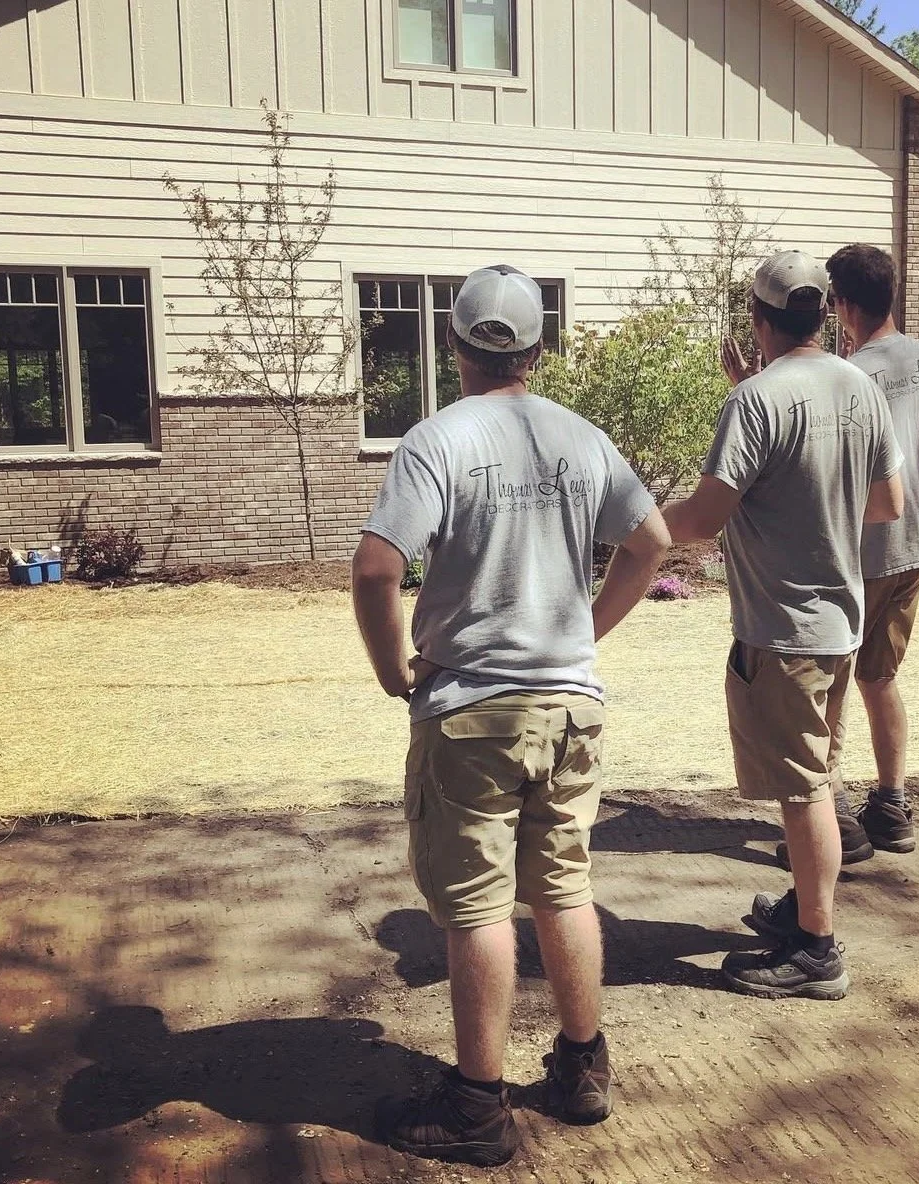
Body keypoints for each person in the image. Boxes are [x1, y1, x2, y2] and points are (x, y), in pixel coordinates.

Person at [352, 264, 669, 1166]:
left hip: (471, 714)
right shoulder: (579, 436)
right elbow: (651, 542)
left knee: (478, 908)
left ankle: (477, 1108)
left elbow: (377, 568)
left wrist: (394, 671)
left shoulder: (436, 440)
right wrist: (584, 632)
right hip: (571, 710)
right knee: (563, 886)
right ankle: (582, 1066)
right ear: (538, 349)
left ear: (455, 345)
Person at [664, 250, 903, 1001]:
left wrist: (637, 524)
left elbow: (702, 519)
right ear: (825, 314)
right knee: (816, 776)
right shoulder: (859, 386)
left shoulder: (756, 400)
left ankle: (817, 949)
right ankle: (804, 910)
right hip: (839, 623)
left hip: (783, 631)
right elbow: (887, 504)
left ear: (757, 319)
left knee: (803, 793)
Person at [771, 244, 919, 869]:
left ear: (841, 304)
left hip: (859, 553)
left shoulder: (852, 376)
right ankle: (892, 806)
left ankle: (837, 817)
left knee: (832, 688)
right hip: (916, 546)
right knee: (881, 677)